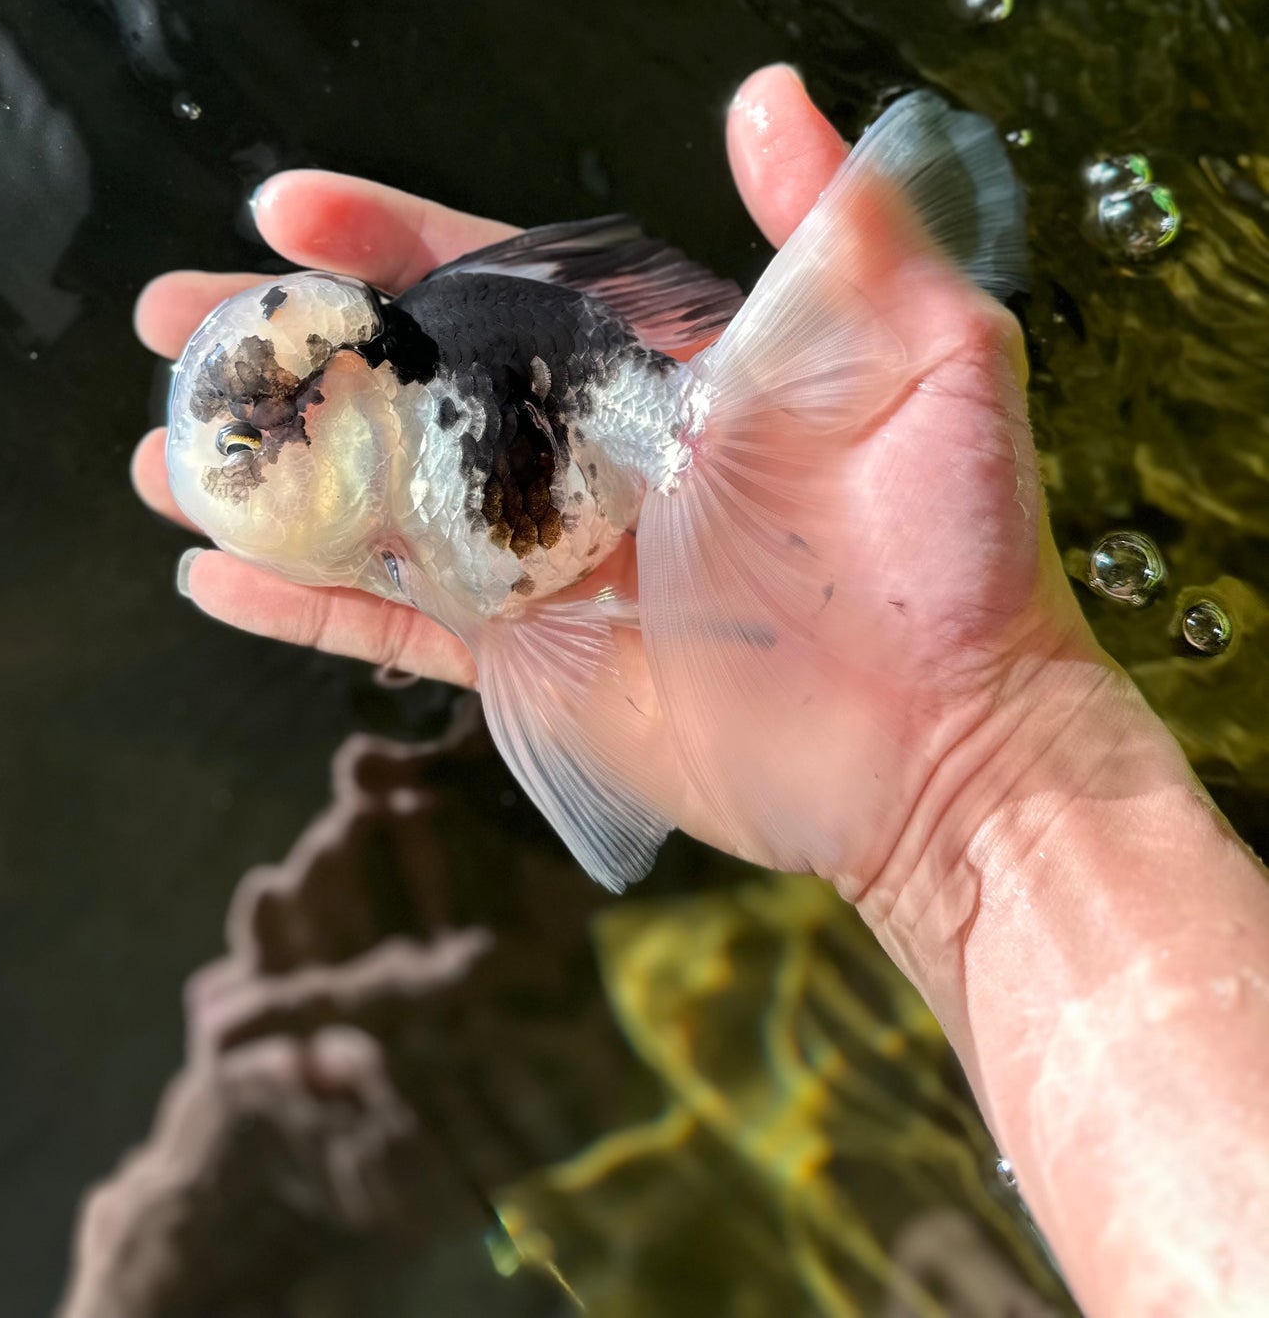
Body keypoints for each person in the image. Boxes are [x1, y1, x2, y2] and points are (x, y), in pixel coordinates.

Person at [132, 64, 1269, 1318]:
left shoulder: (413, 442)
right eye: (242, 447)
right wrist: (972, 786)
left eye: (252, 440)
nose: (245, 451)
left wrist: (972, 767)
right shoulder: (378, 420)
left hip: (607, 423)